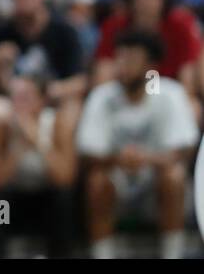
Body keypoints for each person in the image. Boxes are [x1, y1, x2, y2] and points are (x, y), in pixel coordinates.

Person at [77, 31, 199, 258]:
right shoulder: (102, 96)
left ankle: (172, 254)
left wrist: (144, 158)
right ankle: (103, 255)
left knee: (174, 175)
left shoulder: (169, 93)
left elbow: (184, 151)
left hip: (155, 183)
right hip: (118, 183)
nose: (123, 65)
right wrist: (119, 159)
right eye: (119, 58)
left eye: (131, 58)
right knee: (96, 180)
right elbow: (88, 154)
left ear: (150, 65)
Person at [0, 70, 80, 257]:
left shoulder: (57, 123)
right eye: (13, 98)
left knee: (63, 198)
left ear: (42, 101)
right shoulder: (0, 126)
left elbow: (65, 178)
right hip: (12, 207)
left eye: (25, 97)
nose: (17, 104)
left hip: (45, 203)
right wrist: (17, 148)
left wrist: (37, 141)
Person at [92, 0, 203, 117]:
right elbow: (103, 76)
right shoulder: (115, 26)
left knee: (192, 107)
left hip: (169, 96)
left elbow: (187, 80)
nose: (145, 1)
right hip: (125, 96)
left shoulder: (181, 26)